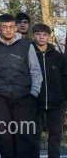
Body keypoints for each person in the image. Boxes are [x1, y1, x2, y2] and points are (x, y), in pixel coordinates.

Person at [0, 14, 41, 158]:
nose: (8, 30)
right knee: (4, 135)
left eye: (11, 27)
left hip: (24, 95)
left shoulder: (27, 46)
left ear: (16, 28)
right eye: (4, 27)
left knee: (24, 134)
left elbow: (35, 70)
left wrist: (34, 91)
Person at [32, 23, 66, 158]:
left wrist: (63, 96)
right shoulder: (29, 54)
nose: (41, 37)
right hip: (35, 102)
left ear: (49, 36)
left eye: (44, 34)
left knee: (55, 136)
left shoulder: (58, 56)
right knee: (34, 135)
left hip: (56, 103)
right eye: (38, 34)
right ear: (33, 35)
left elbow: (65, 77)